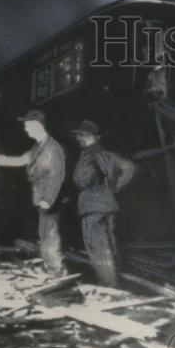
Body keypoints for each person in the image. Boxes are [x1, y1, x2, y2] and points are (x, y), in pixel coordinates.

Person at [0, 110, 66, 275]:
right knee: (45, 235)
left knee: (50, 236)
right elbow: (19, 160)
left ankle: (55, 271)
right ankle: (51, 267)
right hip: (40, 197)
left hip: (50, 200)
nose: (25, 129)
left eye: (27, 126)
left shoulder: (53, 148)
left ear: (38, 125)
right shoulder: (37, 147)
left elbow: (57, 175)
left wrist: (48, 199)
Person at [71, 120, 136, 286]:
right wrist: (116, 186)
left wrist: (87, 184)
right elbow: (129, 167)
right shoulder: (107, 155)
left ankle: (108, 283)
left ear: (88, 136)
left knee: (97, 246)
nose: (78, 138)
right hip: (108, 205)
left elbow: (84, 179)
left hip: (93, 206)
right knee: (110, 245)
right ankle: (116, 280)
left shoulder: (89, 155)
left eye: (79, 135)